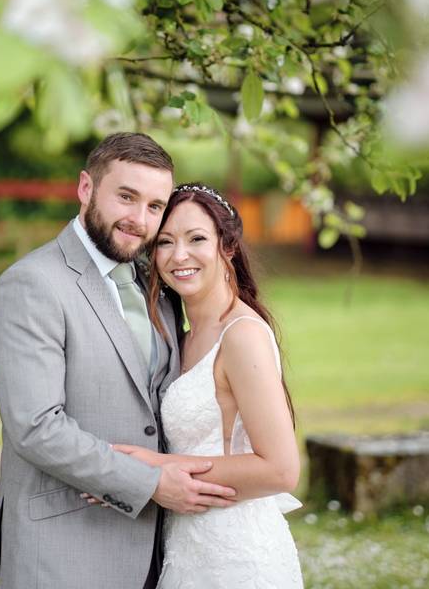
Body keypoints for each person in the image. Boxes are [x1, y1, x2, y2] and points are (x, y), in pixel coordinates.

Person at [0, 134, 237, 589]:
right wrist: (149, 483)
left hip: (159, 551)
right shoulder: (31, 285)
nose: (140, 220)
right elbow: (36, 427)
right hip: (65, 549)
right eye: (126, 197)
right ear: (86, 188)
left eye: (155, 206)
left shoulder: (155, 285)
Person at [108, 183, 304, 588]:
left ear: (227, 246)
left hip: (237, 555)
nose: (180, 255)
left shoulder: (242, 335)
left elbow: (282, 470)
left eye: (196, 238)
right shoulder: (183, 338)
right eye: (165, 242)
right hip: (189, 547)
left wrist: (156, 467)